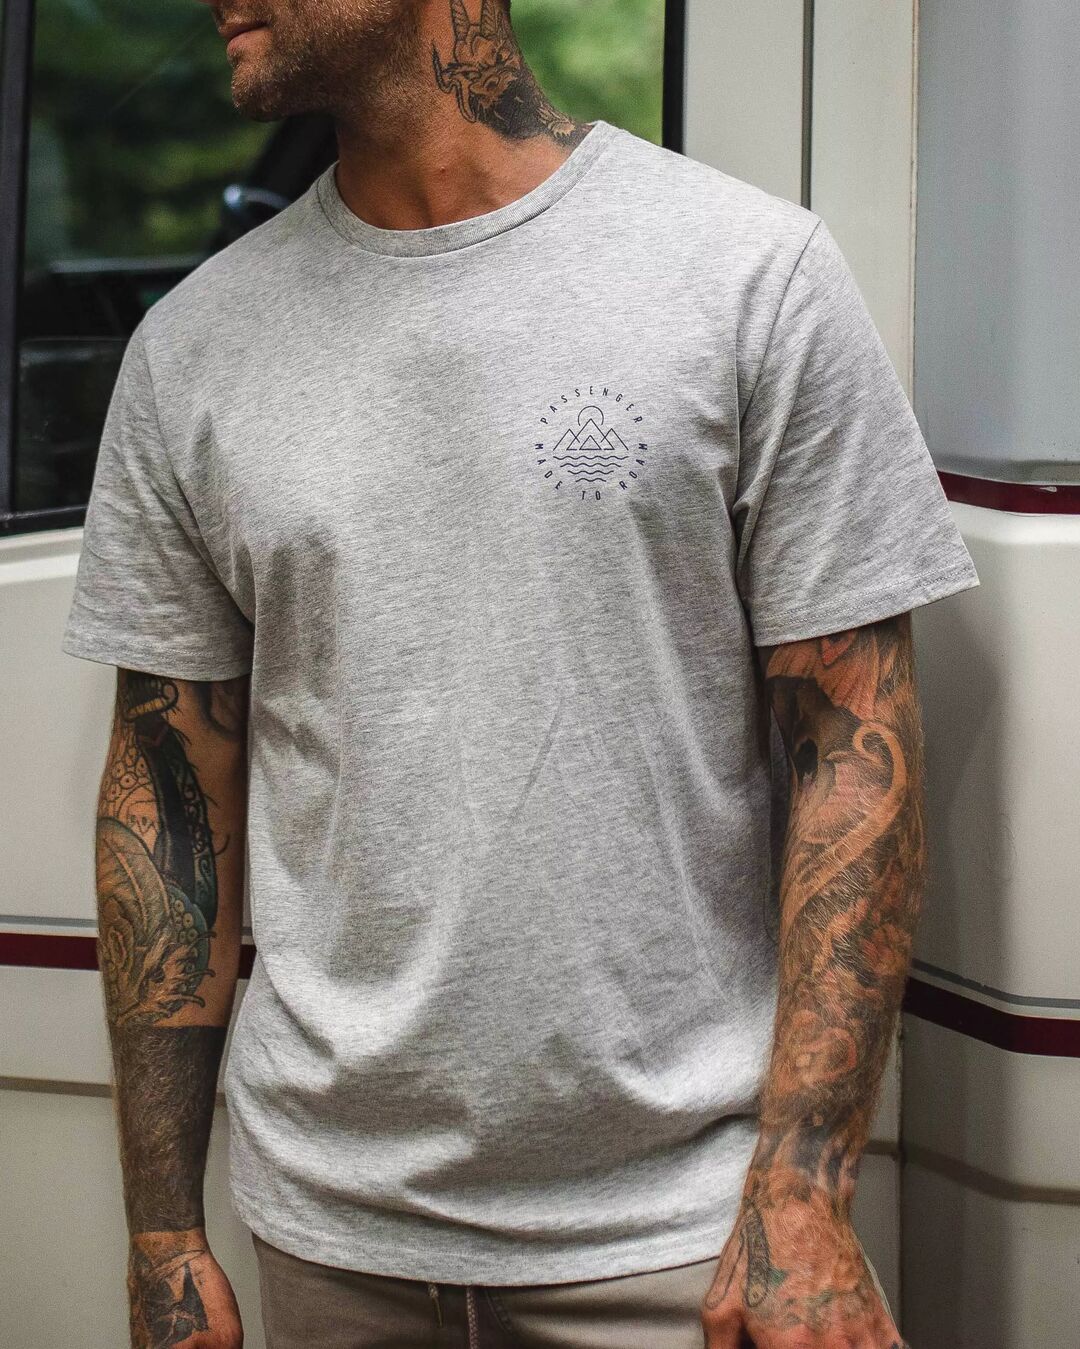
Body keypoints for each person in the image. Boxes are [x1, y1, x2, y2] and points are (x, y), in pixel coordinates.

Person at [60, 1, 980, 1346]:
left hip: (684, 1237)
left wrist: (803, 1187)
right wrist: (161, 1231)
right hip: (329, 1231)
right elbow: (168, 789)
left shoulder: (743, 274)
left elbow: (853, 744)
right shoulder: (194, 348)